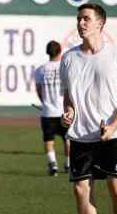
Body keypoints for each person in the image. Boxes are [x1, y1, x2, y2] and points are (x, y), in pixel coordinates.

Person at [61, 3, 117, 214]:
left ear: (100, 23)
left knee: (116, 186)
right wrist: (68, 113)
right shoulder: (68, 58)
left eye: (86, 18)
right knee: (80, 189)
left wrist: (112, 126)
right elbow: (68, 97)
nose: (81, 23)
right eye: (79, 19)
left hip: (115, 134)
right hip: (81, 136)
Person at [34, 40, 70, 176]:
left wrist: (45, 102)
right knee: (68, 139)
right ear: (60, 51)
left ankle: (53, 165)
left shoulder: (40, 70)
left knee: (49, 140)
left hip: (47, 112)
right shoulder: (65, 67)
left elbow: (38, 90)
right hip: (63, 111)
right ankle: (68, 165)